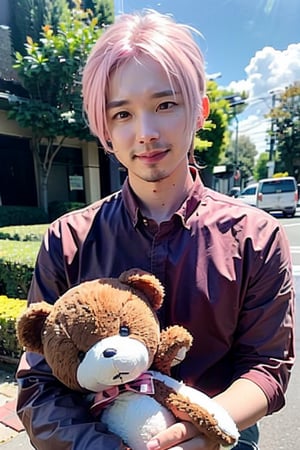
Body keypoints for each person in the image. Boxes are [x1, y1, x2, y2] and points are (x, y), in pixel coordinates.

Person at [16, 9, 295, 450]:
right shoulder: (68, 239)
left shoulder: (255, 236)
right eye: (122, 114)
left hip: (221, 433)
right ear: (104, 126)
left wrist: (198, 433)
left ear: (199, 110)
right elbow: (39, 383)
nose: (145, 132)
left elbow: (266, 367)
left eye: (165, 105)